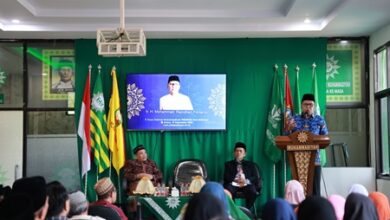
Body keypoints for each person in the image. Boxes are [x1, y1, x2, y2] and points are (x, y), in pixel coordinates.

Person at [285, 93, 328, 196]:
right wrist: (288, 129)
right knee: (298, 191)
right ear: (301, 106)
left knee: (315, 190)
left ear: (314, 106)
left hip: (315, 160)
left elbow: (325, 137)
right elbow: (285, 137)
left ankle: (315, 211)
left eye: (310, 105)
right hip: (298, 161)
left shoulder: (319, 119)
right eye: (305, 104)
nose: (308, 107)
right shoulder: (294, 119)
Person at [223, 142, 261, 209]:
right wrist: (235, 179)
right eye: (237, 151)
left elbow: (255, 177)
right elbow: (226, 177)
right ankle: (233, 210)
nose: (238, 153)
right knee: (227, 192)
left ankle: (246, 210)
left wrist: (246, 180)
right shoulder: (228, 164)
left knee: (253, 192)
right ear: (234, 153)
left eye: (241, 151)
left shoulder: (251, 164)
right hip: (233, 184)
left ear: (244, 154)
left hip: (246, 184)